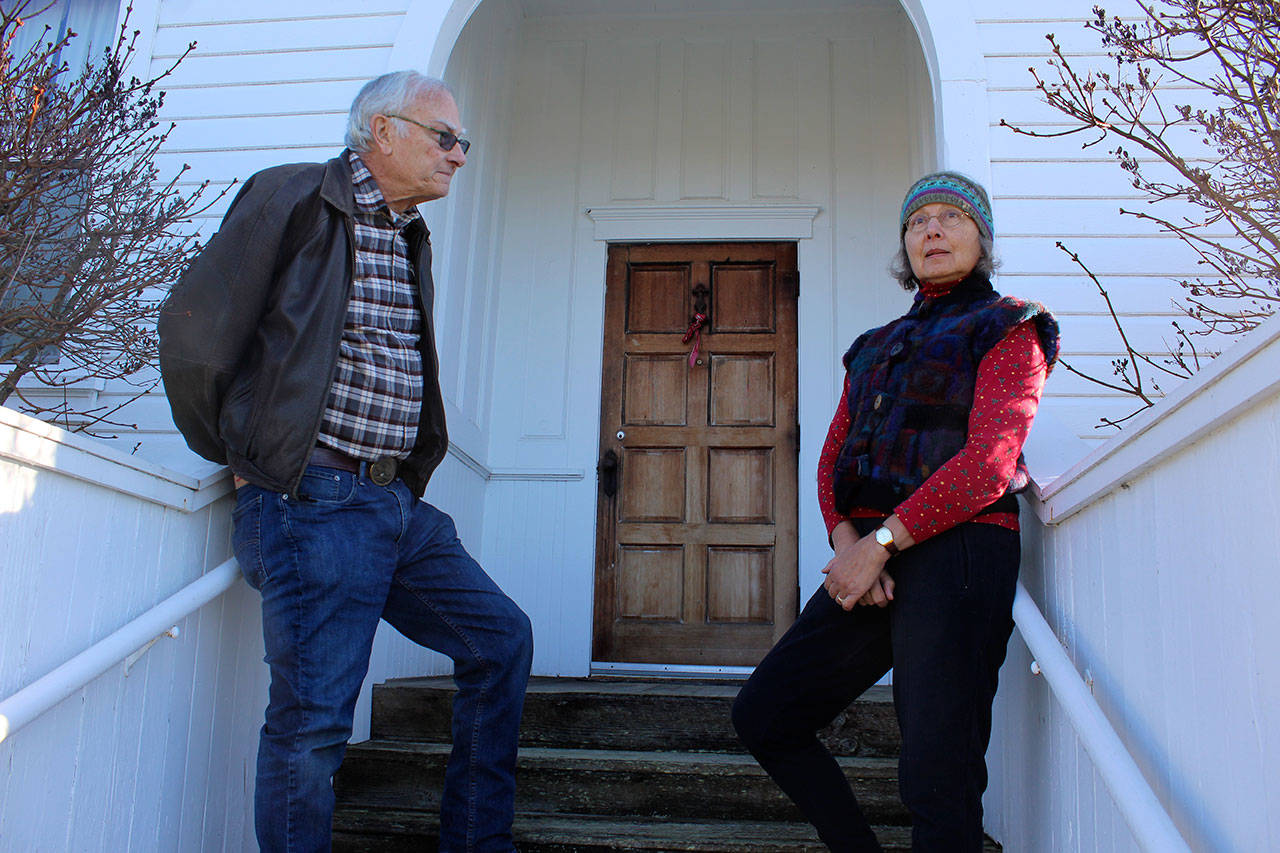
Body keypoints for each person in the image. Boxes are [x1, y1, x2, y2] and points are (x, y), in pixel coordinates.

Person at [158, 71, 533, 853]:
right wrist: (243, 455)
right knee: (315, 724)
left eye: (463, 141)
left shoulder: (408, 235)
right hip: (312, 500)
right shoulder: (293, 198)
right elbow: (195, 331)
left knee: (500, 639)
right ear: (382, 130)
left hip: (395, 505)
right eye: (445, 137)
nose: (460, 155)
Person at [731, 172, 1058, 851]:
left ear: (981, 237)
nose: (931, 230)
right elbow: (831, 460)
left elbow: (989, 463)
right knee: (766, 714)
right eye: (917, 222)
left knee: (938, 771)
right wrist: (852, 538)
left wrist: (880, 541)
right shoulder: (873, 345)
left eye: (950, 218)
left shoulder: (1010, 326)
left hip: (962, 550)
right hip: (873, 553)